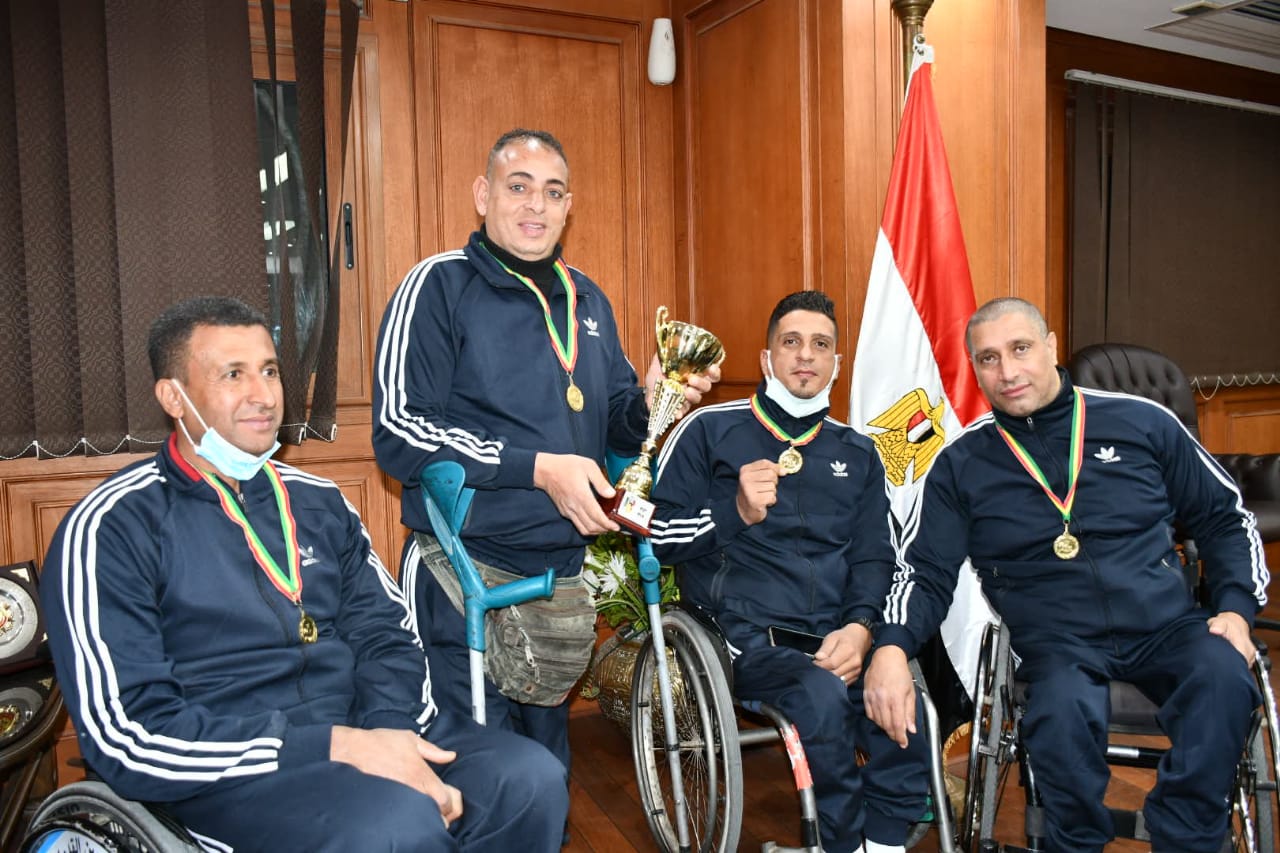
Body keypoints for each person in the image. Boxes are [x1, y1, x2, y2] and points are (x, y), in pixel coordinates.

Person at [40, 296, 568, 852]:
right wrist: (335, 747)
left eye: (269, 371)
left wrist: (388, 731)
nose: (264, 395)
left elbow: (387, 635)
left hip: (363, 727)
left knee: (527, 781)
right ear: (174, 397)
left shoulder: (319, 501)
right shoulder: (112, 526)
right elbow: (127, 735)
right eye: (233, 375)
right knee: (394, 827)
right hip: (228, 769)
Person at [864, 296, 1269, 853]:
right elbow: (924, 571)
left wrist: (1236, 610)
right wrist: (891, 645)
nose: (1007, 372)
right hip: (1058, 643)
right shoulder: (961, 463)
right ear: (974, 368)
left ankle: (1187, 833)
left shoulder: (1142, 422)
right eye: (988, 358)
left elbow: (1224, 518)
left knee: (1224, 678)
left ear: (1051, 346)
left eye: (1020, 349)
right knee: (1058, 716)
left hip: (1164, 624)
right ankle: (1075, 842)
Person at [372, 129, 717, 775]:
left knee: (546, 773)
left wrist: (654, 402)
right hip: (462, 570)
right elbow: (400, 430)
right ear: (484, 195)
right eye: (519, 186)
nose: (536, 204)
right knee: (474, 774)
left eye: (553, 192)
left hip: (558, 575)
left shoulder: (587, 297)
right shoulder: (437, 285)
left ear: (568, 207)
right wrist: (537, 470)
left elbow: (618, 427)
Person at [647, 291, 930, 853]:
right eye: (791, 342)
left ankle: (885, 841)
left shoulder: (859, 451)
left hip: (838, 634)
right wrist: (734, 511)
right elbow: (653, 538)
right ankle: (841, 841)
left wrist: (861, 629)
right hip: (743, 637)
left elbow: (876, 557)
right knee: (820, 696)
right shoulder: (708, 429)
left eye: (820, 345)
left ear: (836, 365)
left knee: (903, 695)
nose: (806, 355)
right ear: (766, 358)